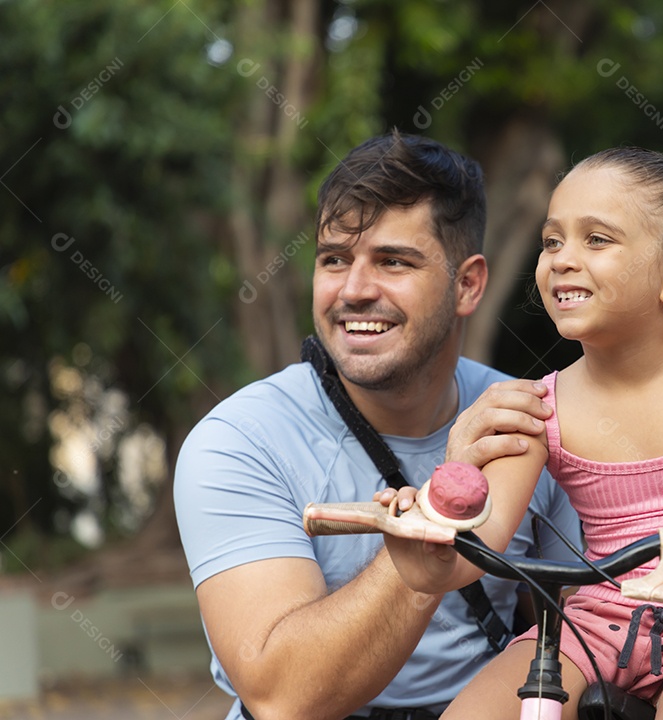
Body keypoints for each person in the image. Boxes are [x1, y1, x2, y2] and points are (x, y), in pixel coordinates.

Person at [383, 146, 663, 719]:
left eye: (597, 240)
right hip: (595, 623)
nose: (561, 259)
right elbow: (474, 549)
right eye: (552, 241)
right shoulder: (538, 404)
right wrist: (425, 543)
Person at [173, 131, 581, 720]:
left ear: (467, 284)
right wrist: (447, 497)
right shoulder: (240, 441)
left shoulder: (531, 422)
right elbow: (283, 695)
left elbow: (585, 627)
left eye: (393, 261)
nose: (355, 290)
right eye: (334, 259)